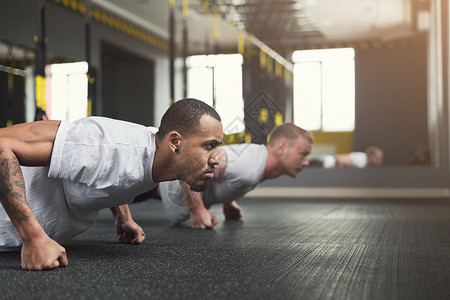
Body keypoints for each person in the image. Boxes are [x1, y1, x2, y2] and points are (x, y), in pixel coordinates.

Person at [0, 98, 223, 270]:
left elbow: (117, 170)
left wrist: (122, 216)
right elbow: (2, 143)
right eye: (208, 146)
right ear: (175, 142)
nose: (216, 158)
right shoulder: (101, 143)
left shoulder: (156, 157)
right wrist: (33, 237)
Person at [156, 123, 313, 229]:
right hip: (159, 185)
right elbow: (191, 163)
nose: (306, 162)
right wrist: (197, 210)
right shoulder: (247, 166)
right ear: (281, 147)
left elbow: (227, 170)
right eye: (302, 154)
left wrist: (228, 200)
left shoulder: (256, 158)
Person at [311, 146, 383, 168]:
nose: (380, 161)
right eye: (378, 158)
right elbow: (339, 159)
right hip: (324, 163)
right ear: (372, 156)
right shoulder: (361, 159)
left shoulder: (365, 165)